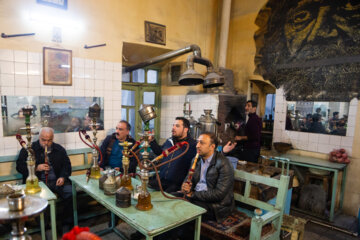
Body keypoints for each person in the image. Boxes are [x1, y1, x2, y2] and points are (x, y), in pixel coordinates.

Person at [16, 127, 73, 231]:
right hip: (38, 184)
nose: (46, 143)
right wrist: (36, 167)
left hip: (56, 182)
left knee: (70, 193)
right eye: (44, 140)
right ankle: (45, 227)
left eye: (49, 140)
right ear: (39, 138)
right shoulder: (29, 149)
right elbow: (19, 166)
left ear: (53, 138)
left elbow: (67, 165)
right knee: (40, 200)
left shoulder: (59, 149)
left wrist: (63, 177)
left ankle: (66, 224)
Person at [181, 132, 234, 222]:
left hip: (216, 206)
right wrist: (185, 186)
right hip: (197, 197)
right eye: (197, 142)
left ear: (212, 146)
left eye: (202, 143)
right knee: (171, 201)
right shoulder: (196, 160)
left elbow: (219, 194)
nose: (197, 145)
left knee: (184, 210)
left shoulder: (224, 163)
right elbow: (188, 178)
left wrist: (193, 194)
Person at [148, 117, 197, 193]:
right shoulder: (169, 141)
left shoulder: (192, 145)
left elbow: (195, 167)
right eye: (173, 125)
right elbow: (161, 153)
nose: (173, 128)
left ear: (186, 129)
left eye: (177, 126)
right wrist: (152, 141)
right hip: (162, 180)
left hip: (176, 185)